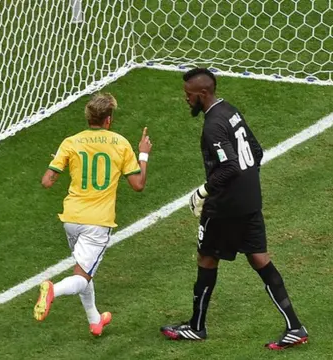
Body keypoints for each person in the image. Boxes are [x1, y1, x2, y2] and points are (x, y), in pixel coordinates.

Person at [160, 68, 308, 349]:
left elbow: (228, 166)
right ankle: (295, 327)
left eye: (189, 95)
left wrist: (203, 192)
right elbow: (257, 151)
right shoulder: (229, 110)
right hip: (250, 202)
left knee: (206, 258)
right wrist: (247, 186)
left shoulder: (213, 124)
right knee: (259, 259)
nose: (186, 99)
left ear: (203, 94)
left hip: (224, 207)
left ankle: (196, 327)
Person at [33, 93, 152, 336]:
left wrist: (61, 163)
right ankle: (52, 289)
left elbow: (47, 181)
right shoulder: (120, 143)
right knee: (82, 277)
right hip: (97, 223)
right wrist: (143, 153)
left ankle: (94, 320)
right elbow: (138, 185)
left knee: (84, 270)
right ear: (108, 120)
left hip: (71, 218)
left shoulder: (71, 142)